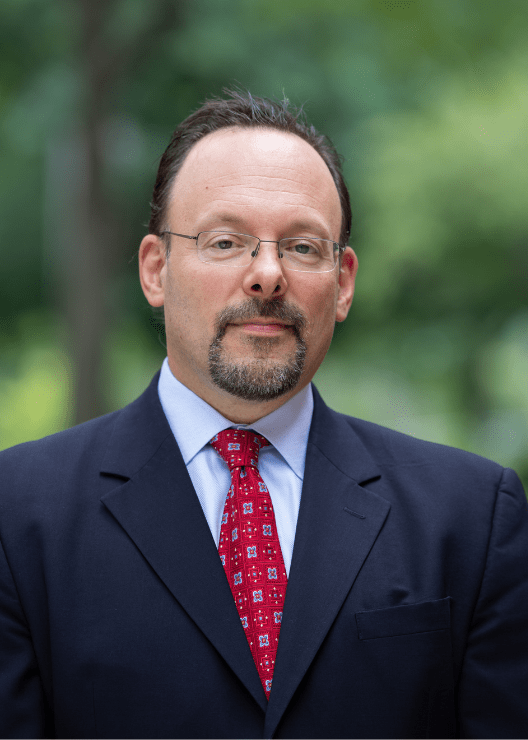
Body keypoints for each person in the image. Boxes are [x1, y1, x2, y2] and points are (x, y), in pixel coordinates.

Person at [0, 90, 527, 740]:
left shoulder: (472, 517)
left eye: (304, 248)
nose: (267, 274)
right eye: (226, 241)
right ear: (156, 270)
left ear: (345, 283)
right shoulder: (17, 514)